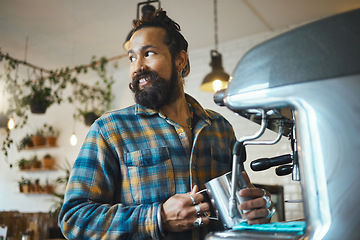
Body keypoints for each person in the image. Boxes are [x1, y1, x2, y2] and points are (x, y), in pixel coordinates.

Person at [59, 9, 274, 240]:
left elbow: (242, 204)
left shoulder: (221, 128)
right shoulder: (109, 129)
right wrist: (158, 217)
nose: (137, 66)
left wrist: (260, 208)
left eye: (148, 53)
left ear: (180, 59)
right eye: (132, 57)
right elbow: (73, 219)